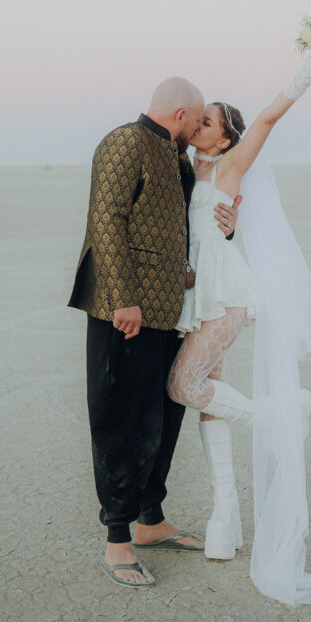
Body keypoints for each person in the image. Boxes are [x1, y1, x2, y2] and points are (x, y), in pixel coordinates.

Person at [166, 51, 311, 605]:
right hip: (200, 296)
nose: (198, 125)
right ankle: (224, 519)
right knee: (208, 400)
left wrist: (308, 73)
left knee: (182, 386)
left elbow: (265, 120)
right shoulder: (190, 168)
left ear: (223, 139)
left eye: (208, 121)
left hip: (227, 297)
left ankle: (285, 412)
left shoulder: (230, 166)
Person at [68, 78, 240, 589]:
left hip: (170, 311)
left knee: (163, 419)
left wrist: (229, 226)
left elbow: (195, 226)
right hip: (123, 312)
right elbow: (107, 220)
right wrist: (123, 297)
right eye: (197, 119)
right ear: (182, 113)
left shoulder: (178, 158)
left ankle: (151, 521)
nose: (197, 127)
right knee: (121, 420)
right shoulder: (124, 142)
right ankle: (117, 540)